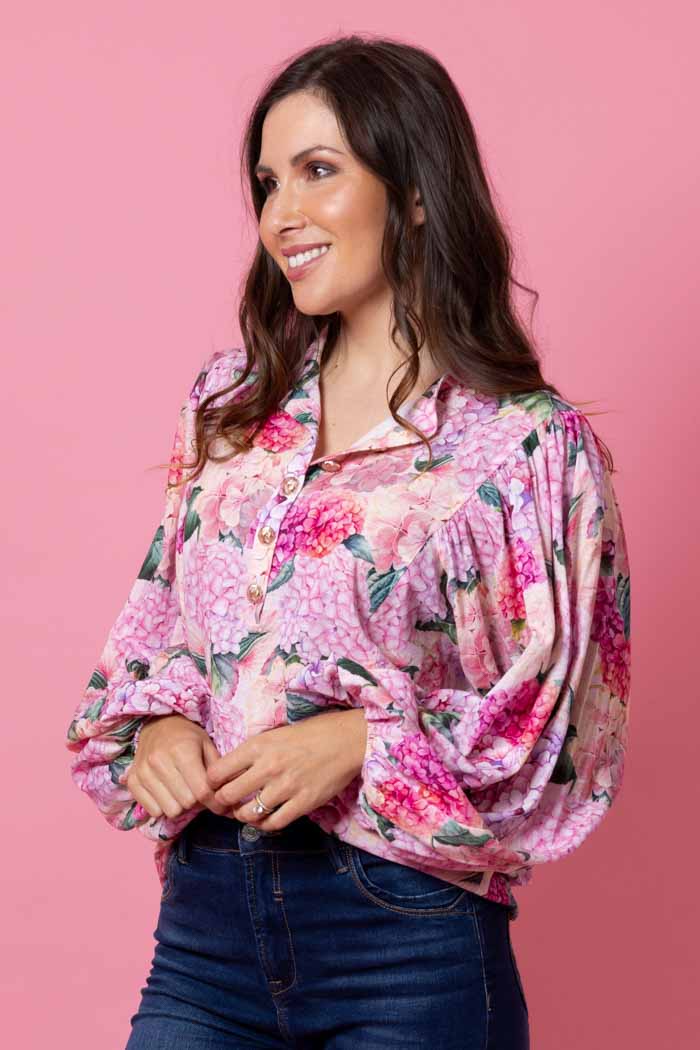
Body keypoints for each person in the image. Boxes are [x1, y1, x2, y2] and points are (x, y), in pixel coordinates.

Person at [65, 34, 631, 1050]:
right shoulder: (231, 407)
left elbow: (560, 736)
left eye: (319, 171)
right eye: (268, 181)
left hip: (403, 942)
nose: (280, 214)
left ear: (413, 192)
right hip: (206, 927)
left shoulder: (524, 447)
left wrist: (366, 742)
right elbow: (160, 639)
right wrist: (159, 732)